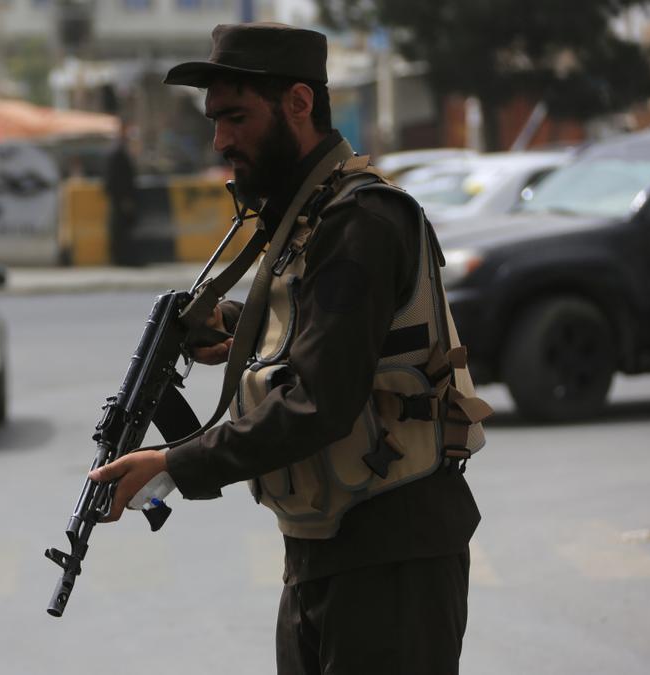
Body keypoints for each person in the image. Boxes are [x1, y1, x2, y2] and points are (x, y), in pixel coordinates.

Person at [88, 23, 488, 674]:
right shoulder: (311, 218)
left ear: (299, 103)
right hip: (327, 544)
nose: (221, 141)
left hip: (389, 553)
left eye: (237, 117)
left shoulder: (358, 222)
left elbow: (319, 401)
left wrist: (172, 463)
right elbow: (329, 330)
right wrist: (238, 325)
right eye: (215, 120)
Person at [103, 119, 141, 267]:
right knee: (121, 229)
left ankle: (122, 258)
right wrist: (125, 198)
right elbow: (118, 179)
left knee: (122, 228)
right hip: (120, 198)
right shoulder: (118, 152)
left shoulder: (119, 151)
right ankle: (121, 259)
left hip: (120, 197)